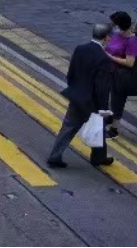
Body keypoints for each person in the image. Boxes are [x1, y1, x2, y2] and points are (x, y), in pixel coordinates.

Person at [46, 24, 115, 168]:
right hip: (92, 101)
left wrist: (74, 89)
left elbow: (71, 73)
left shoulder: (80, 49)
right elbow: (102, 87)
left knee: (69, 127)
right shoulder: (104, 58)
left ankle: (97, 156)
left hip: (77, 97)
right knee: (97, 125)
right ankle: (95, 157)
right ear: (106, 38)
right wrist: (103, 108)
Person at [106, 12, 137, 139]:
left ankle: (115, 128)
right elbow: (109, 45)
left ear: (120, 25)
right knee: (108, 97)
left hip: (121, 76)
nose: (112, 26)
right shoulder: (116, 35)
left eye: (114, 24)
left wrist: (110, 57)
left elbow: (130, 63)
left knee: (117, 101)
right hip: (109, 72)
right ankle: (110, 116)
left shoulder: (132, 41)